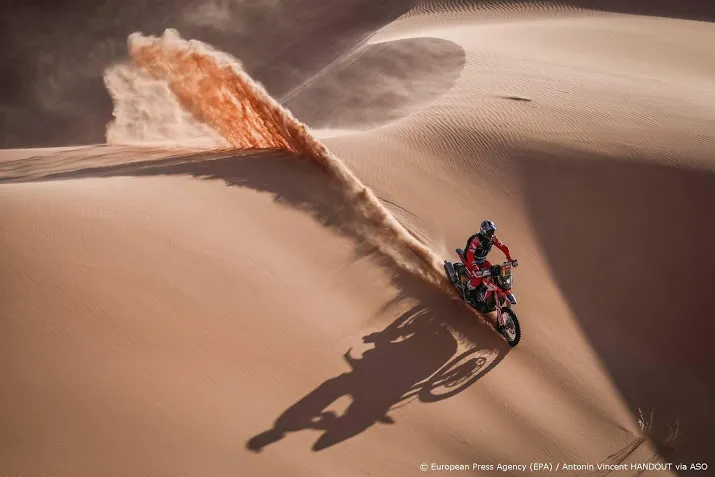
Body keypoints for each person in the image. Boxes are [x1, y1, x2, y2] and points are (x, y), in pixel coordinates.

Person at [463, 220, 517, 303]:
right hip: (470, 261)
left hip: (482, 261)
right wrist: (475, 267)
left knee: (495, 273)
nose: (492, 234)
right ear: (484, 231)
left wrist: (509, 258)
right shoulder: (477, 239)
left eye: (493, 231)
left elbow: (503, 248)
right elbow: (470, 255)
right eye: (490, 232)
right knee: (477, 279)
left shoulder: (493, 239)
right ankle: (467, 290)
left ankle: (486, 293)